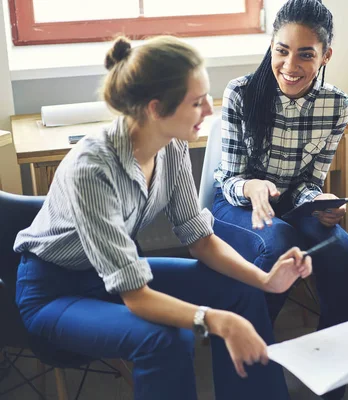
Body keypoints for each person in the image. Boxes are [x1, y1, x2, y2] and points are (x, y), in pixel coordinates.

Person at [13, 36, 313, 400]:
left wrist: (264, 279)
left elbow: (200, 238)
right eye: (197, 101)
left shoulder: (172, 146)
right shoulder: (91, 169)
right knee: (165, 339)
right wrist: (216, 320)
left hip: (117, 275)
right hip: (57, 292)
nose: (208, 110)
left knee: (242, 294)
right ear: (156, 109)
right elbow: (137, 298)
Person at [212, 0, 348, 395]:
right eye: (282, 50)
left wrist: (322, 203)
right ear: (271, 46)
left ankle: (331, 377)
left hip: (291, 205)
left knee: (342, 251)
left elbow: (310, 180)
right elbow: (226, 178)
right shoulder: (241, 92)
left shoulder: (337, 106)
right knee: (279, 242)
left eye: (306, 54)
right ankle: (254, 370)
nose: (290, 65)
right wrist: (252, 186)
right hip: (235, 203)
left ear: (326, 55)